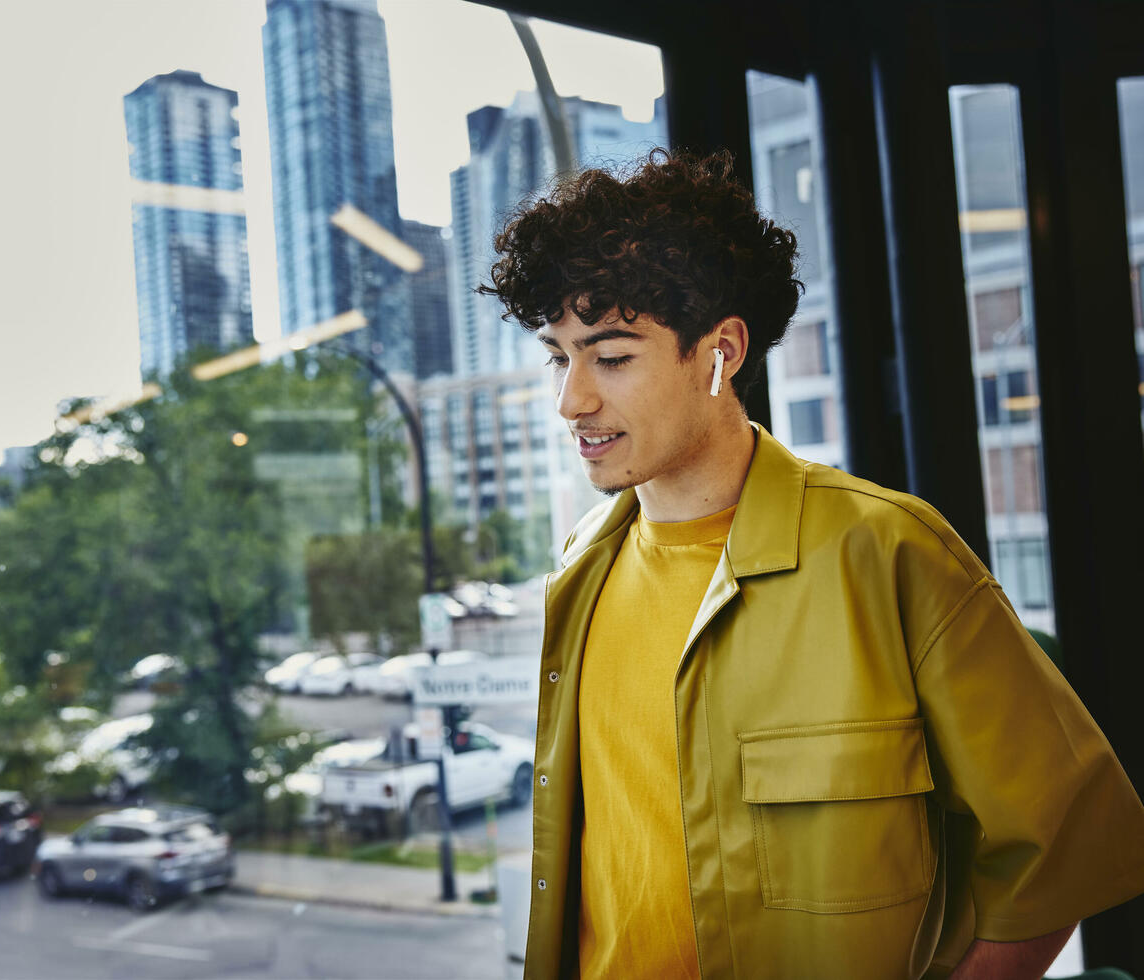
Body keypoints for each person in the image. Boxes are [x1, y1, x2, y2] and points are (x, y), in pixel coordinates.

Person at [479, 149, 1144, 979]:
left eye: (610, 357)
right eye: (558, 356)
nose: (570, 400)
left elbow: (1062, 845)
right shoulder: (581, 566)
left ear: (720, 351)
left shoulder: (887, 551)